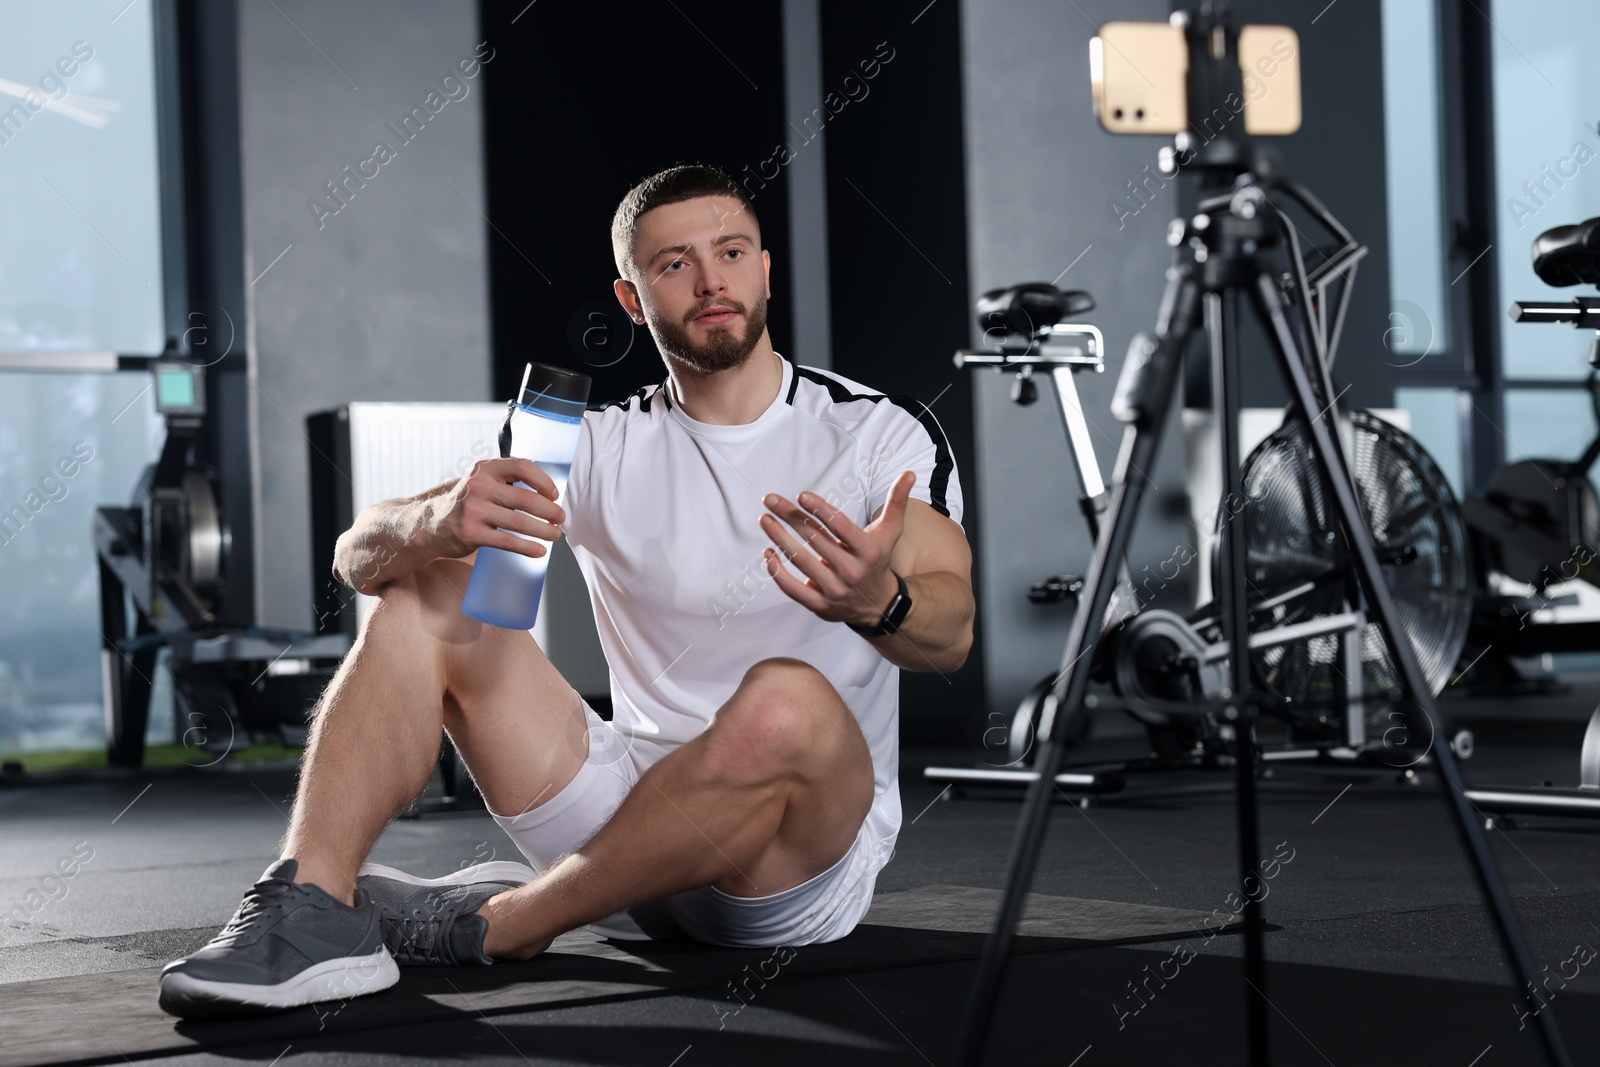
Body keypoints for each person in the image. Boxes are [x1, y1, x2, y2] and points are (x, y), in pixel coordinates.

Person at [159, 164, 972, 1018]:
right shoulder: (593, 442)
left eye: (730, 252)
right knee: (431, 589)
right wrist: (434, 518)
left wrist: (883, 602)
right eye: (673, 264)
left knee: (789, 701)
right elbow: (355, 557)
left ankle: (506, 920)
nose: (709, 280)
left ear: (765, 268)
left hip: (786, 870)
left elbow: (951, 631)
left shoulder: (877, 432)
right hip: (620, 824)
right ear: (632, 299)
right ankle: (310, 908)